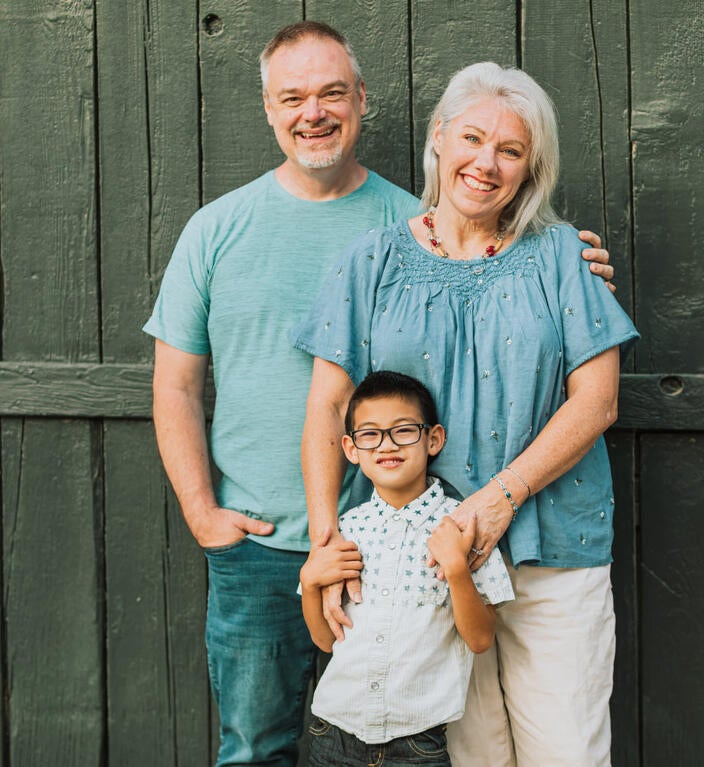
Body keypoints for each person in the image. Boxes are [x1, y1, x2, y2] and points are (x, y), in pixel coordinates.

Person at [143, 19, 614, 766]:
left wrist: (566, 262)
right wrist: (214, 516)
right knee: (263, 743)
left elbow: (576, 364)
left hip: (443, 543)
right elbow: (181, 382)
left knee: (477, 746)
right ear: (267, 107)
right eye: (292, 96)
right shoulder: (232, 231)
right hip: (302, 544)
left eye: (332, 92)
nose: (313, 111)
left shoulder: (476, 236)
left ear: (362, 100)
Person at [295, 62, 640, 767]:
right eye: (472, 138)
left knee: (566, 752)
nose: (485, 162)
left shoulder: (560, 257)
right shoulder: (370, 261)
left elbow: (597, 399)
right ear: (438, 138)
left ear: (529, 167)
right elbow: (328, 404)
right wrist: (326, 544)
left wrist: (496, 499)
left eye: (509, 150)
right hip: (418, 564)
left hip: (553, 550)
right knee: (470, 755)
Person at [300, 371, 514, 767]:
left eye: (403, 431)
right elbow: (325, 641)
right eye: (370, 434)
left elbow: (481, 639)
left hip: (417, 745)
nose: (387, 445)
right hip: (333, 736)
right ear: (350, 447)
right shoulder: (348, 528)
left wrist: (456, 569)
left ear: (433, 439)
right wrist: (310, 583)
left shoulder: (462, 526)